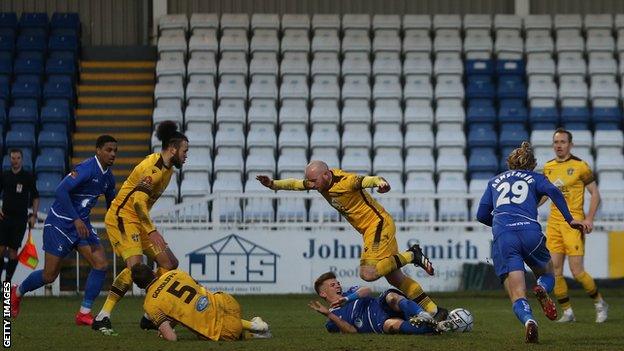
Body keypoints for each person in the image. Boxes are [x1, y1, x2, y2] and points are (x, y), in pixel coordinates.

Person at [257, 161, 447, 321]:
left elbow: (367, 180)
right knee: (395, 278)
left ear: (325, 175)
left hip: (378, 225)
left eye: (314, 181)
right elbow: (296, 184)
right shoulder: (319, 182)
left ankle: (412, 255)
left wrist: (381, 183)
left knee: (368, 273)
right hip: (370, 230)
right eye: (310, 181)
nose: (312, 185)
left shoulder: (345, 181)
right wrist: (273, 184)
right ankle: (434, 311)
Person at [476, 142, 590, 343]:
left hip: (505, 236)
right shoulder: (536, 177)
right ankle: (542, 288)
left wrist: (499, 223)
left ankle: (529, 321)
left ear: (510, 163)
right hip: (530, 232)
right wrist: (570, 219)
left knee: (517, 291)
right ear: (532, 164)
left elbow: (481, 215)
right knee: (548, 273)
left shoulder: (494, 181)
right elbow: (554, 192)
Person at [92, 121, 188, 335]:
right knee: (135, 268)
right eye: (184, 150)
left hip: (139, 219)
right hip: (122, 217)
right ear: (173, 149)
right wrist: (152, 230)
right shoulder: (151, 169)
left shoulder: (168, 169)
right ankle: (102, 317)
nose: (186, 155)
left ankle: (149, 317)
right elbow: (137, 202)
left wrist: (149, 228)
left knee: (169, 263)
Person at [10, 136, 118, 326]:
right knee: (50, 276)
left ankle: (84, 313)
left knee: (101, 264)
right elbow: (60, 191)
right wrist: (75, 218)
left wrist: (117, 222)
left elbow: (112, 204)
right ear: (98, 150)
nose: (113, 154)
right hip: (60, 224)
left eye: (115, 151)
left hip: (81, 226)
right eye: (109, 150)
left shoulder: (108, 177)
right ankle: (16, 292)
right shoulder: (86, 169)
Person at [543, 128, 607, 323]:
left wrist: (589, 219)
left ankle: (599, 303)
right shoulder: (548, 167)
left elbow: (595, 193)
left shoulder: (580, 166)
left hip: (574, 223)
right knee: (555, 271)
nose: (559, 145)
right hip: (553, 223)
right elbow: (545, 195)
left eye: (562, 142)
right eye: (556, 142)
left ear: (570, 145)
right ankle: (568, 312)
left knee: (577, 271)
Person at [131, 263, 272, 341]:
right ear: (154, 272)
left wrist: (164, 331)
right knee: (215, 313)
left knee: (208, 332)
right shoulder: (174, 273)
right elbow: (197, 290)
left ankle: (256, 332)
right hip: (225, 301)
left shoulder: (150, 304)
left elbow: (172, 338)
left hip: (224, 329)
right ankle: (256, 325)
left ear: (139, 286)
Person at [308, 271, 448, 335]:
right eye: (333, 285)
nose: (338, 286)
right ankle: (439, 327)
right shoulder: (331, 323)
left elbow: (367, 290)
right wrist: (329, 314)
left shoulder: (349, 293)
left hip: (379, 304)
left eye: (337, 283)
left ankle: (423, 314)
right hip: (375, 322)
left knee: (392, 297)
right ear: (323, 293)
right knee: (392, 325)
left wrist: (347, 299)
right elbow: (352, 331)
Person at [0, 148, 39, 283]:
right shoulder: (4, 175)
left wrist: (34, 215)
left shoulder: (27, 176)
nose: (15, 161)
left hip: (20, 220)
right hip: (4, 219)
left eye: (17, 158)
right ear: (9, 159)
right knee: (0, 249)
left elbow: (35, 197)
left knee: (12, 252)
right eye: (13, 158)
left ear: (21, 160)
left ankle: (7, 284)